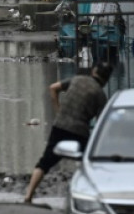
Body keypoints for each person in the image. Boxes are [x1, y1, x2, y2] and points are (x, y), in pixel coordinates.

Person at [23, 61, 113, 204]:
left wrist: (58, 111)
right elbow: (101, 122)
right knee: (89, 163)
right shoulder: (100, 95)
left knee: (44, 162)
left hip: (60, 126)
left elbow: (53, 88)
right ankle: (90, 197)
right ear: (106, 80)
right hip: (80, 131)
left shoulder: (77, 79)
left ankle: (28, 195)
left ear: (93, 71)